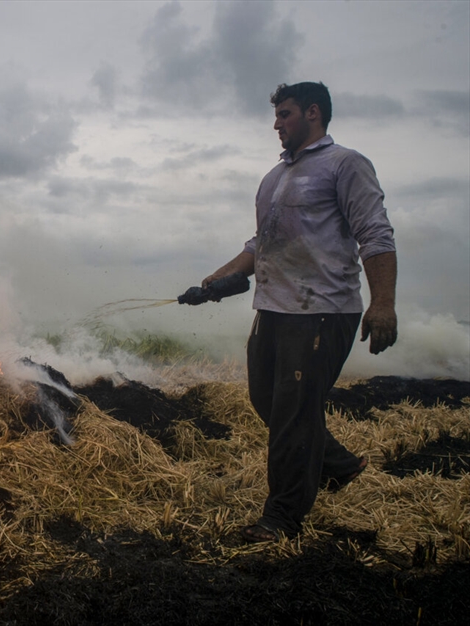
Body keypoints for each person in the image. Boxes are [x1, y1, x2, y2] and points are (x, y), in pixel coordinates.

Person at [203, 81, 398, 543]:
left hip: (321, 311)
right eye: (276, 116)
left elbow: (375, 234)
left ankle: (282, 520)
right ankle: (339, 466)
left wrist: (383, 303)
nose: (276, 124)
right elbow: (262, 243)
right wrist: (218, 280)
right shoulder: (274, 178)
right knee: (267, 401)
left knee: (293, 415)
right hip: (273, 308)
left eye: (285, 114)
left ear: (313, 113)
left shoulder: (345, 164)